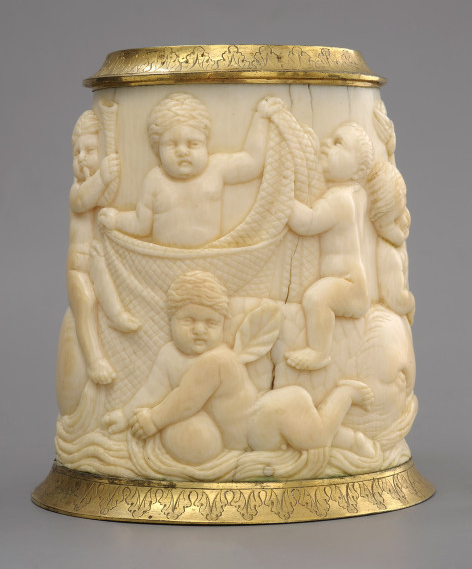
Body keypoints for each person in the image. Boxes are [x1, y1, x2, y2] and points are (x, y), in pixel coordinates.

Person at [103, 271, 375, 464]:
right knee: (307, 432)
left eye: (210, 323)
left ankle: (345, 394)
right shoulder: (168, 355)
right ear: (171, 319)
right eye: (189, 320)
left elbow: (187, 400)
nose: (199, 330)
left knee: (317, 437)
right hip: (255, 430)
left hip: (263, 420)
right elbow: (153, 389)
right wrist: (126, 415)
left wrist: (153, 420)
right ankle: (350, 440)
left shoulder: (217, 360)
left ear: (223, 324)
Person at [99, 93, 272, 248]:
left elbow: (253, 162)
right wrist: (116, 220)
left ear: (206, 144)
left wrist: (261, 118)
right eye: (171, 144)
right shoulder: (155, 180)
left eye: (193, 144)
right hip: (164, 258)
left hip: (211, 254)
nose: (182, 151)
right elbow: (141, 225)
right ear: (157, 149)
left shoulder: (216, 168)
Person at [285, 122, 374, 371]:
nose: (326, 144)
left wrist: (286, 201)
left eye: (338, 143)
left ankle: (319, 352)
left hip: (348, 285)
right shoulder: (356, 194)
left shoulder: (340, 199)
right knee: (318, 295)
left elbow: (308, 223)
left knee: (316, 297)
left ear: (357, 170)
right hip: (353, 282)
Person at [67, 110, 139, 385]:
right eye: (76, 153)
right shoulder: (78, 189)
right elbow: (82, 202)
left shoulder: (98, 188)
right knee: (86, 302)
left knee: (107, 286)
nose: (81, 157)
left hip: (95, 257)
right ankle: (95, 360)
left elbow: (106, 198)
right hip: (77, 265)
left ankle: (116, 315)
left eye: (89, 150)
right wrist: (103, 177)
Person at [366, 161, 415, 323]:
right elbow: (396, 300)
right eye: (394, 220)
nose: (404, 221)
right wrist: (410, 303)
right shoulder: (389, 254)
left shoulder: (395, 244)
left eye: (404, 209)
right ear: (376, 222)